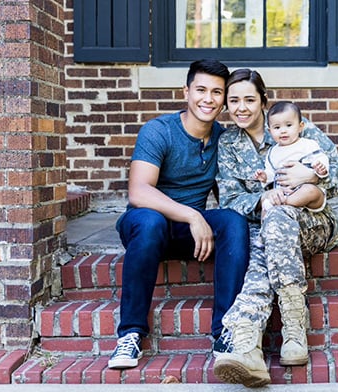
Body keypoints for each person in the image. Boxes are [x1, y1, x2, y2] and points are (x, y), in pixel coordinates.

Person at [108, 60, 250, 370]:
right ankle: (130, 334)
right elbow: (139, 191)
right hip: (147, 226)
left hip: (187, 234)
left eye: (217, 92)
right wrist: (192, 215)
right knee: (150, 221)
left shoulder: (223, 139)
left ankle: (226, 331)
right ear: (186, 92)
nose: (208, 99)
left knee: (233, 222)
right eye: (201, 90)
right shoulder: (159, 130)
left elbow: (230, 194)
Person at [212, 68, 338, 387]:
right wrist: (263, 198)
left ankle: (246, 340)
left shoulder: (295, 126)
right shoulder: (229, 143)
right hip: (269, 225)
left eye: (249, 99)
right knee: (271, 228)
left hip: (313, 220)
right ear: (226, 106)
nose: (241, 107)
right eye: (233, 101)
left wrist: (311, 176)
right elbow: (229, 198)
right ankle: (288, 339)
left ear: (263, 101)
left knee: (269, 234)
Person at [254, 100, 330, 218]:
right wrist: (264, 176)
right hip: (284, 192)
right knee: (266, 204)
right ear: (270, 131)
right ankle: (263, 232)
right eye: (277, 127)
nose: (283, 130)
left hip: (307, 195)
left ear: (300, 127)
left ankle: (285, 203)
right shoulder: (273, 152)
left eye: (289, 125)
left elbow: (320, 157)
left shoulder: (308, 144)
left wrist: (320, 168)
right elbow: (271, 172)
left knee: (310, 190)